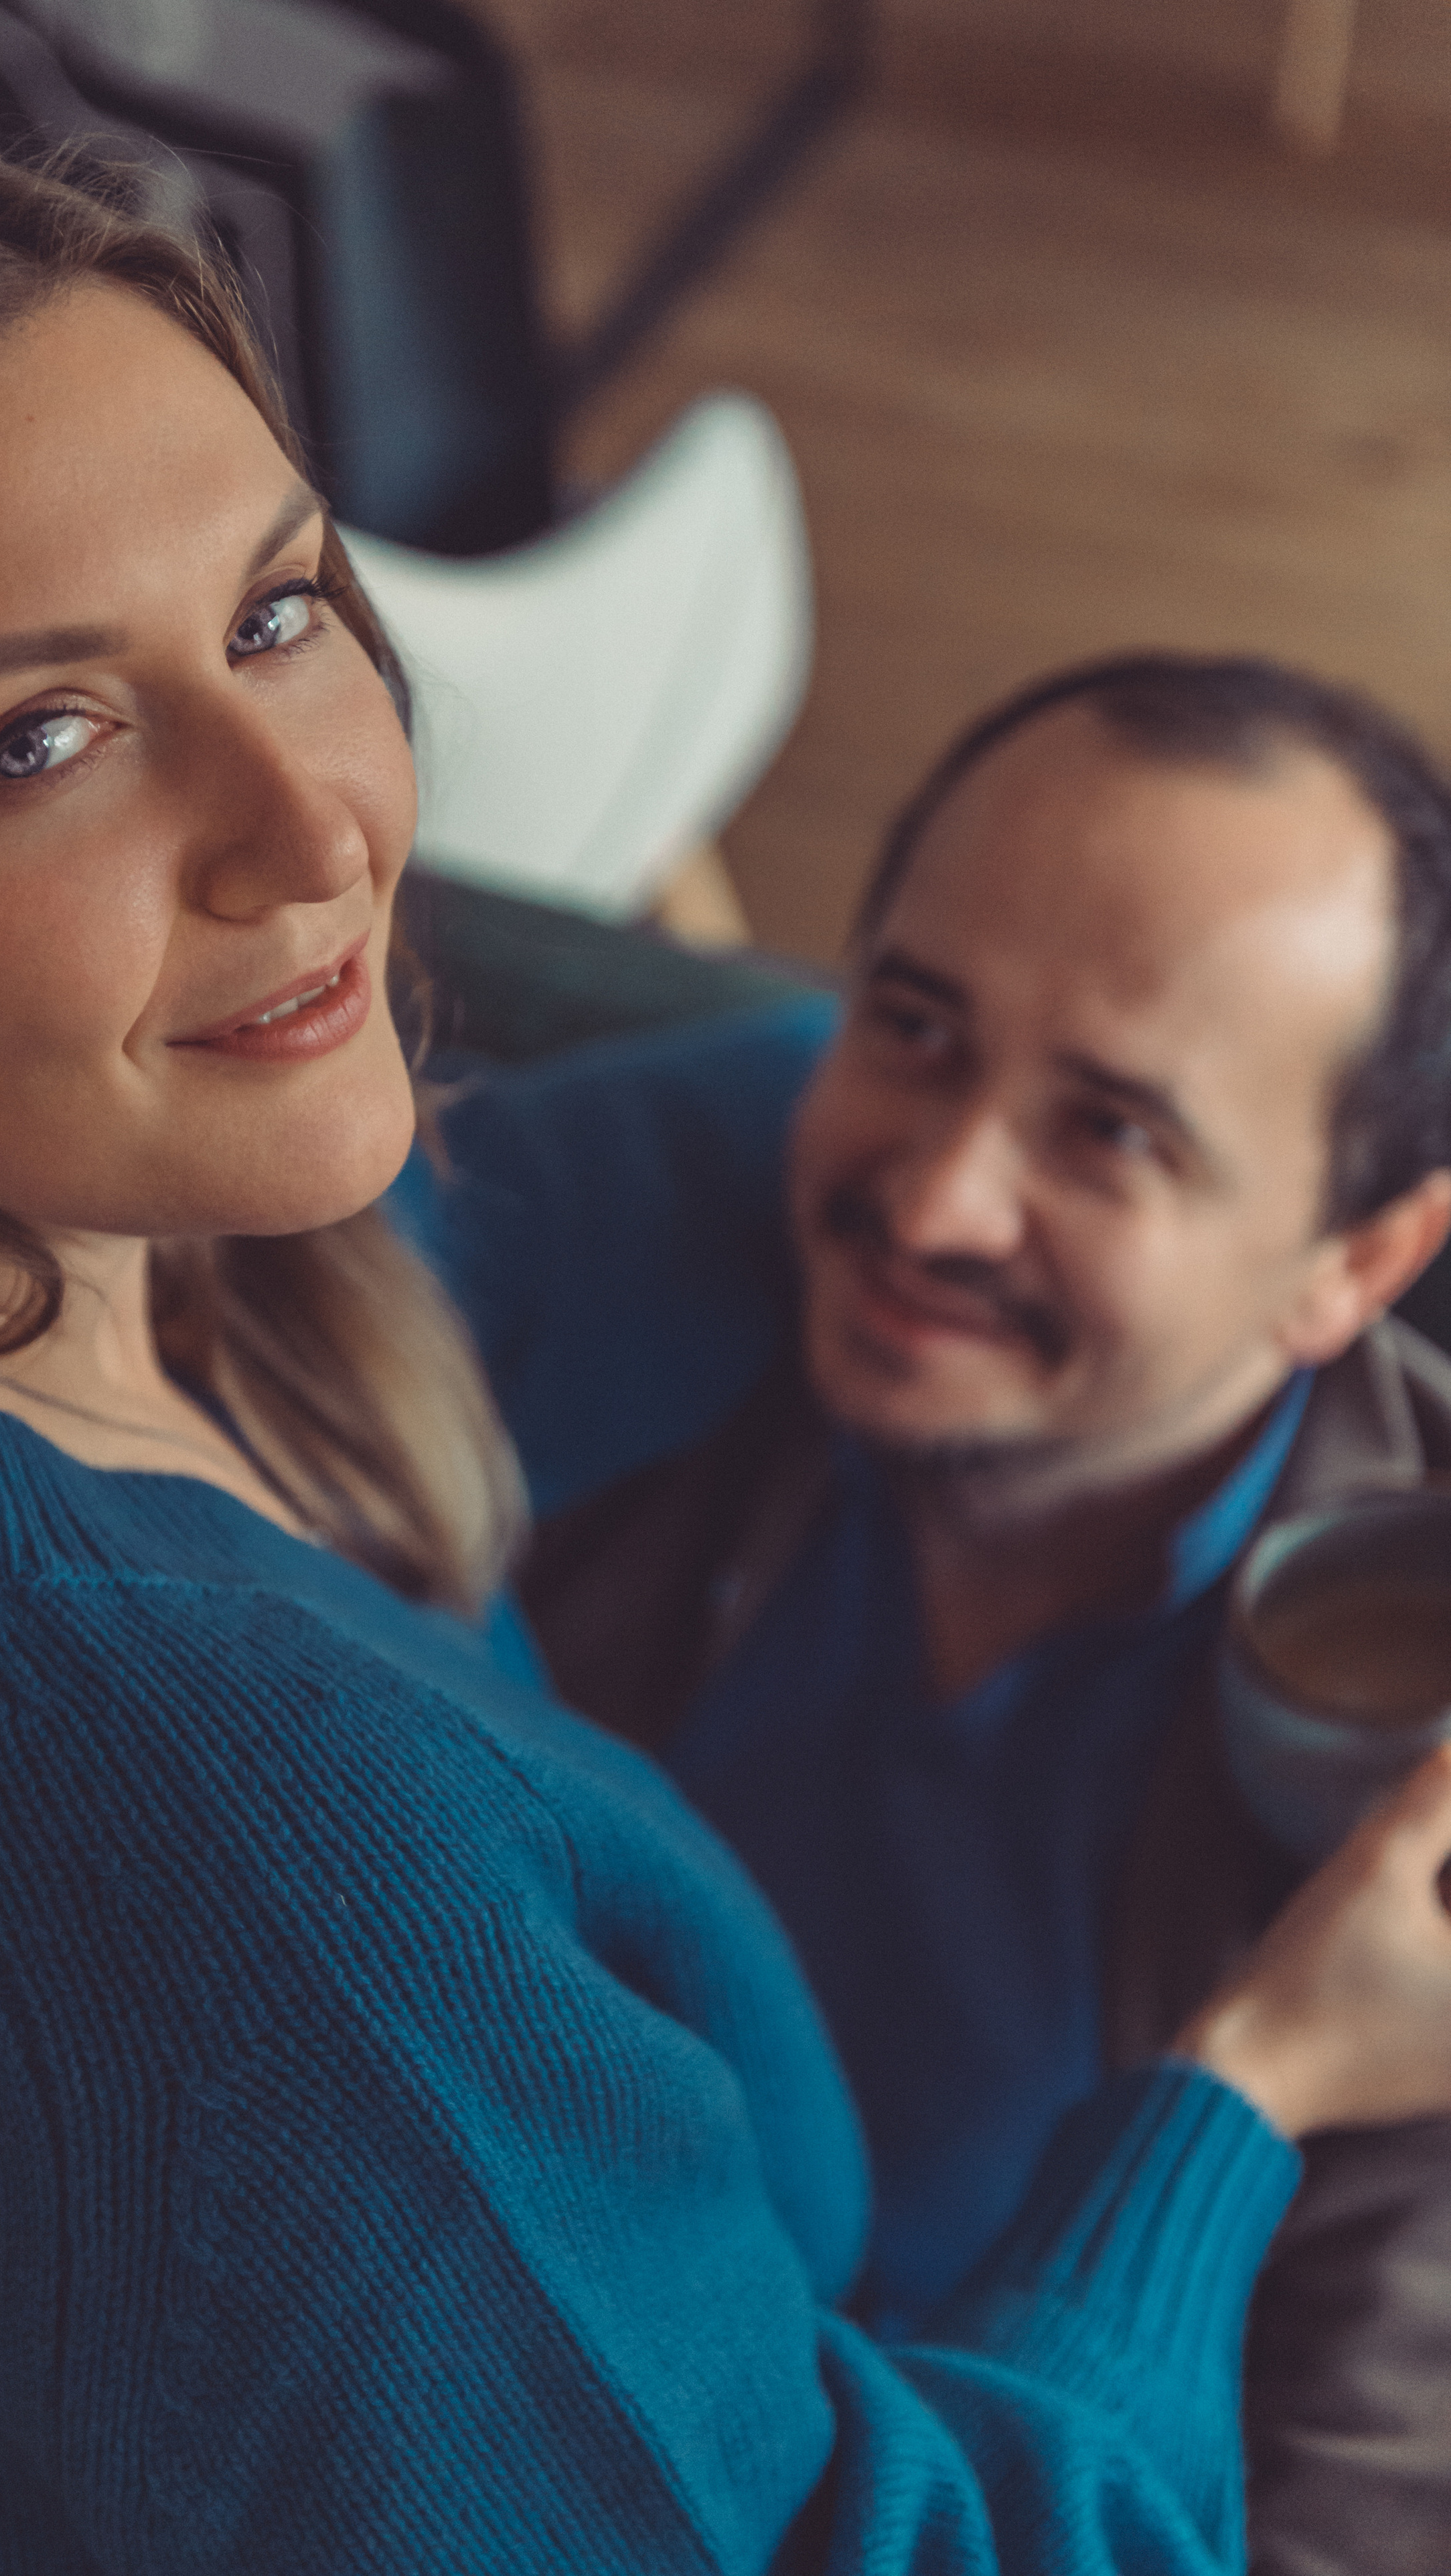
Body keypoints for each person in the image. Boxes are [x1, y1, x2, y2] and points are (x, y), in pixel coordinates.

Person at [0, 120, 1451, 2576]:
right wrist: (1254, 2086)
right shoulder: (263, 1910)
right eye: (38, 740)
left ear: (1359, 1261)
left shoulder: (201, 1268)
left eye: (279, 609)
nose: (317, 835)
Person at [398, 655, 1451, 2576]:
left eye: (1111, 1132)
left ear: (1356, 1260)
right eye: (915, 1024)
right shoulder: (692, 1230)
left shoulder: (1403, 1766)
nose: (937, 1199)